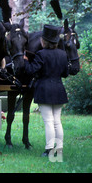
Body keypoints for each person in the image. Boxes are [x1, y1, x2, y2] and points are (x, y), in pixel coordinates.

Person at [24, 24, 69, 161]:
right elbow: (65, 74)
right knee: (57, 122)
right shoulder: (63, 54)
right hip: (59, 89)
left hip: (44, 90)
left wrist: (25, 61)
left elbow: (31, 70)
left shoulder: (40, 54)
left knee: (49, 121)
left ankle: (49, 149)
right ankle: (59, 150)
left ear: (43, 41)